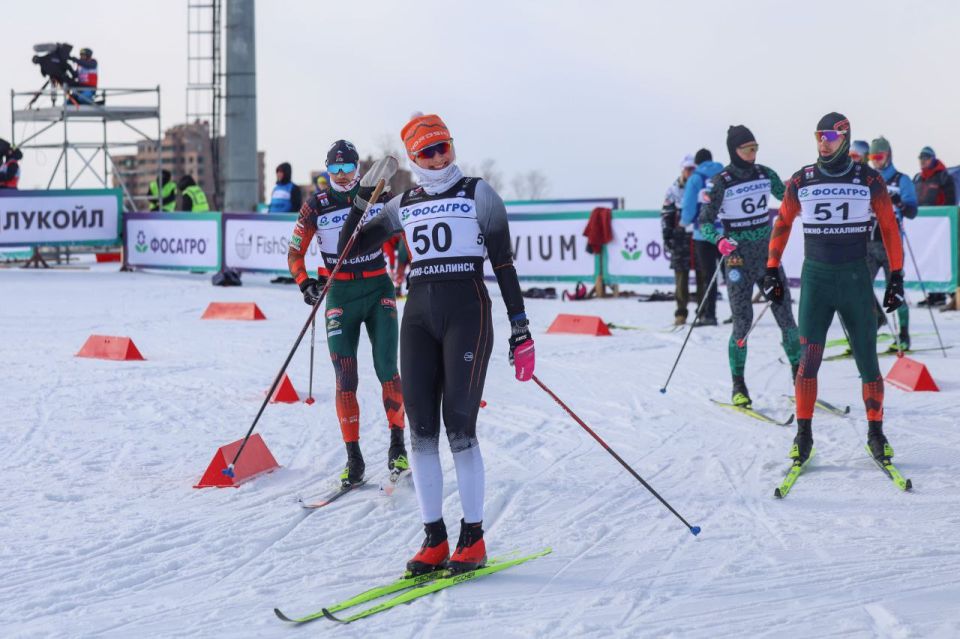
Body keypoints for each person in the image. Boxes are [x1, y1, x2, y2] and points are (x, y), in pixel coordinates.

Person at [338, 113, 534, 576]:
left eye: (443, 147)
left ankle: (473, 536)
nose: (438, 157)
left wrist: (520, 327)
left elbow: (503, 264)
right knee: (421, 431)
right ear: (413, 157)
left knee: (459, 429)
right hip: (419, 315)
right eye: (427, 152)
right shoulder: (404, 201)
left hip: (467, 310)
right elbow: (350, 247)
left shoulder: (478, 193)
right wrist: (360, 202)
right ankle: (434, 538)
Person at [764, 112, 904, 466]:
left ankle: (876, 433)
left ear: (844, 136)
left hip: (856, 280)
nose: (822, 142)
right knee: (808, 362)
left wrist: (896, 276)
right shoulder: (802, 179)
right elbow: (782, 223)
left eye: (829, 135)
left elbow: (888, 226)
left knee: (868, 361)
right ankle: (803, 435)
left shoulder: (868, 178)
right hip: (817, 280)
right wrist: (770, 269)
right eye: (818, 136)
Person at [287, 139, 408, 487]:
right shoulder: (316, 205)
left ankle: (397, 446)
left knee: (387, 367)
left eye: (348, 168)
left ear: (358, 168)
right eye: (335, 169)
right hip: (340, 293)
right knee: (345, 378)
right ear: (327, 170)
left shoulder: (377, 196)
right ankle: (354, 459)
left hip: (377, 289)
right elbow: (295, 252)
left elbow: (403, 237)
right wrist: (304, 283)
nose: (341, 175)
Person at [698, 126, 801, 405]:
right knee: (742, 322)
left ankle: (799, 379)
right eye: (748, 148)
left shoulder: (765, 174)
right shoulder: (721, 181)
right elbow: (704, 221)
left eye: (756, 147)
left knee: (787, 319)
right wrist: (719, 240)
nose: (753, 153)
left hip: (768, 259)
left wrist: (803, 186)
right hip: (738, 261)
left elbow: (788, 197)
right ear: (735, 150)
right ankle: (738, 385)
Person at [867, 137, 917, 350]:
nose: (876, 161)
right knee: (859, 287)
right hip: (868, 245)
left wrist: (900, 203)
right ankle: (877, 318)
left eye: (879, 157)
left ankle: (904, 334)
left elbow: (913, 211)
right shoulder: (867, 179)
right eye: (872, 157)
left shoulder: (901, 180)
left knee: (894, 290)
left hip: (891, 245)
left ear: (888, 155)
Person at [680, 148, 724, 326]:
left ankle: (709, 315)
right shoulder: (724, 174)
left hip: (703, 233)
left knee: (708, 275)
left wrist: (684, 222)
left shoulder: (696, 178)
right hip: (725, 232)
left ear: (697, 163)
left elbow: (689, 206)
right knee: (732, 273)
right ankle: (740, 314)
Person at [661, 155, 697, 325]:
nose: (690, 172)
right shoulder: (673, 190)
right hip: (680, 237)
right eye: (688, 169)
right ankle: (681, 312)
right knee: (681, 276)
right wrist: (667, 234)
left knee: (703, 274)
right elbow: (666, 213)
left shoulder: (701, 186)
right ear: (682, 170)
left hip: (698, 235)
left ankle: (703, 311)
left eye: (693, 169)